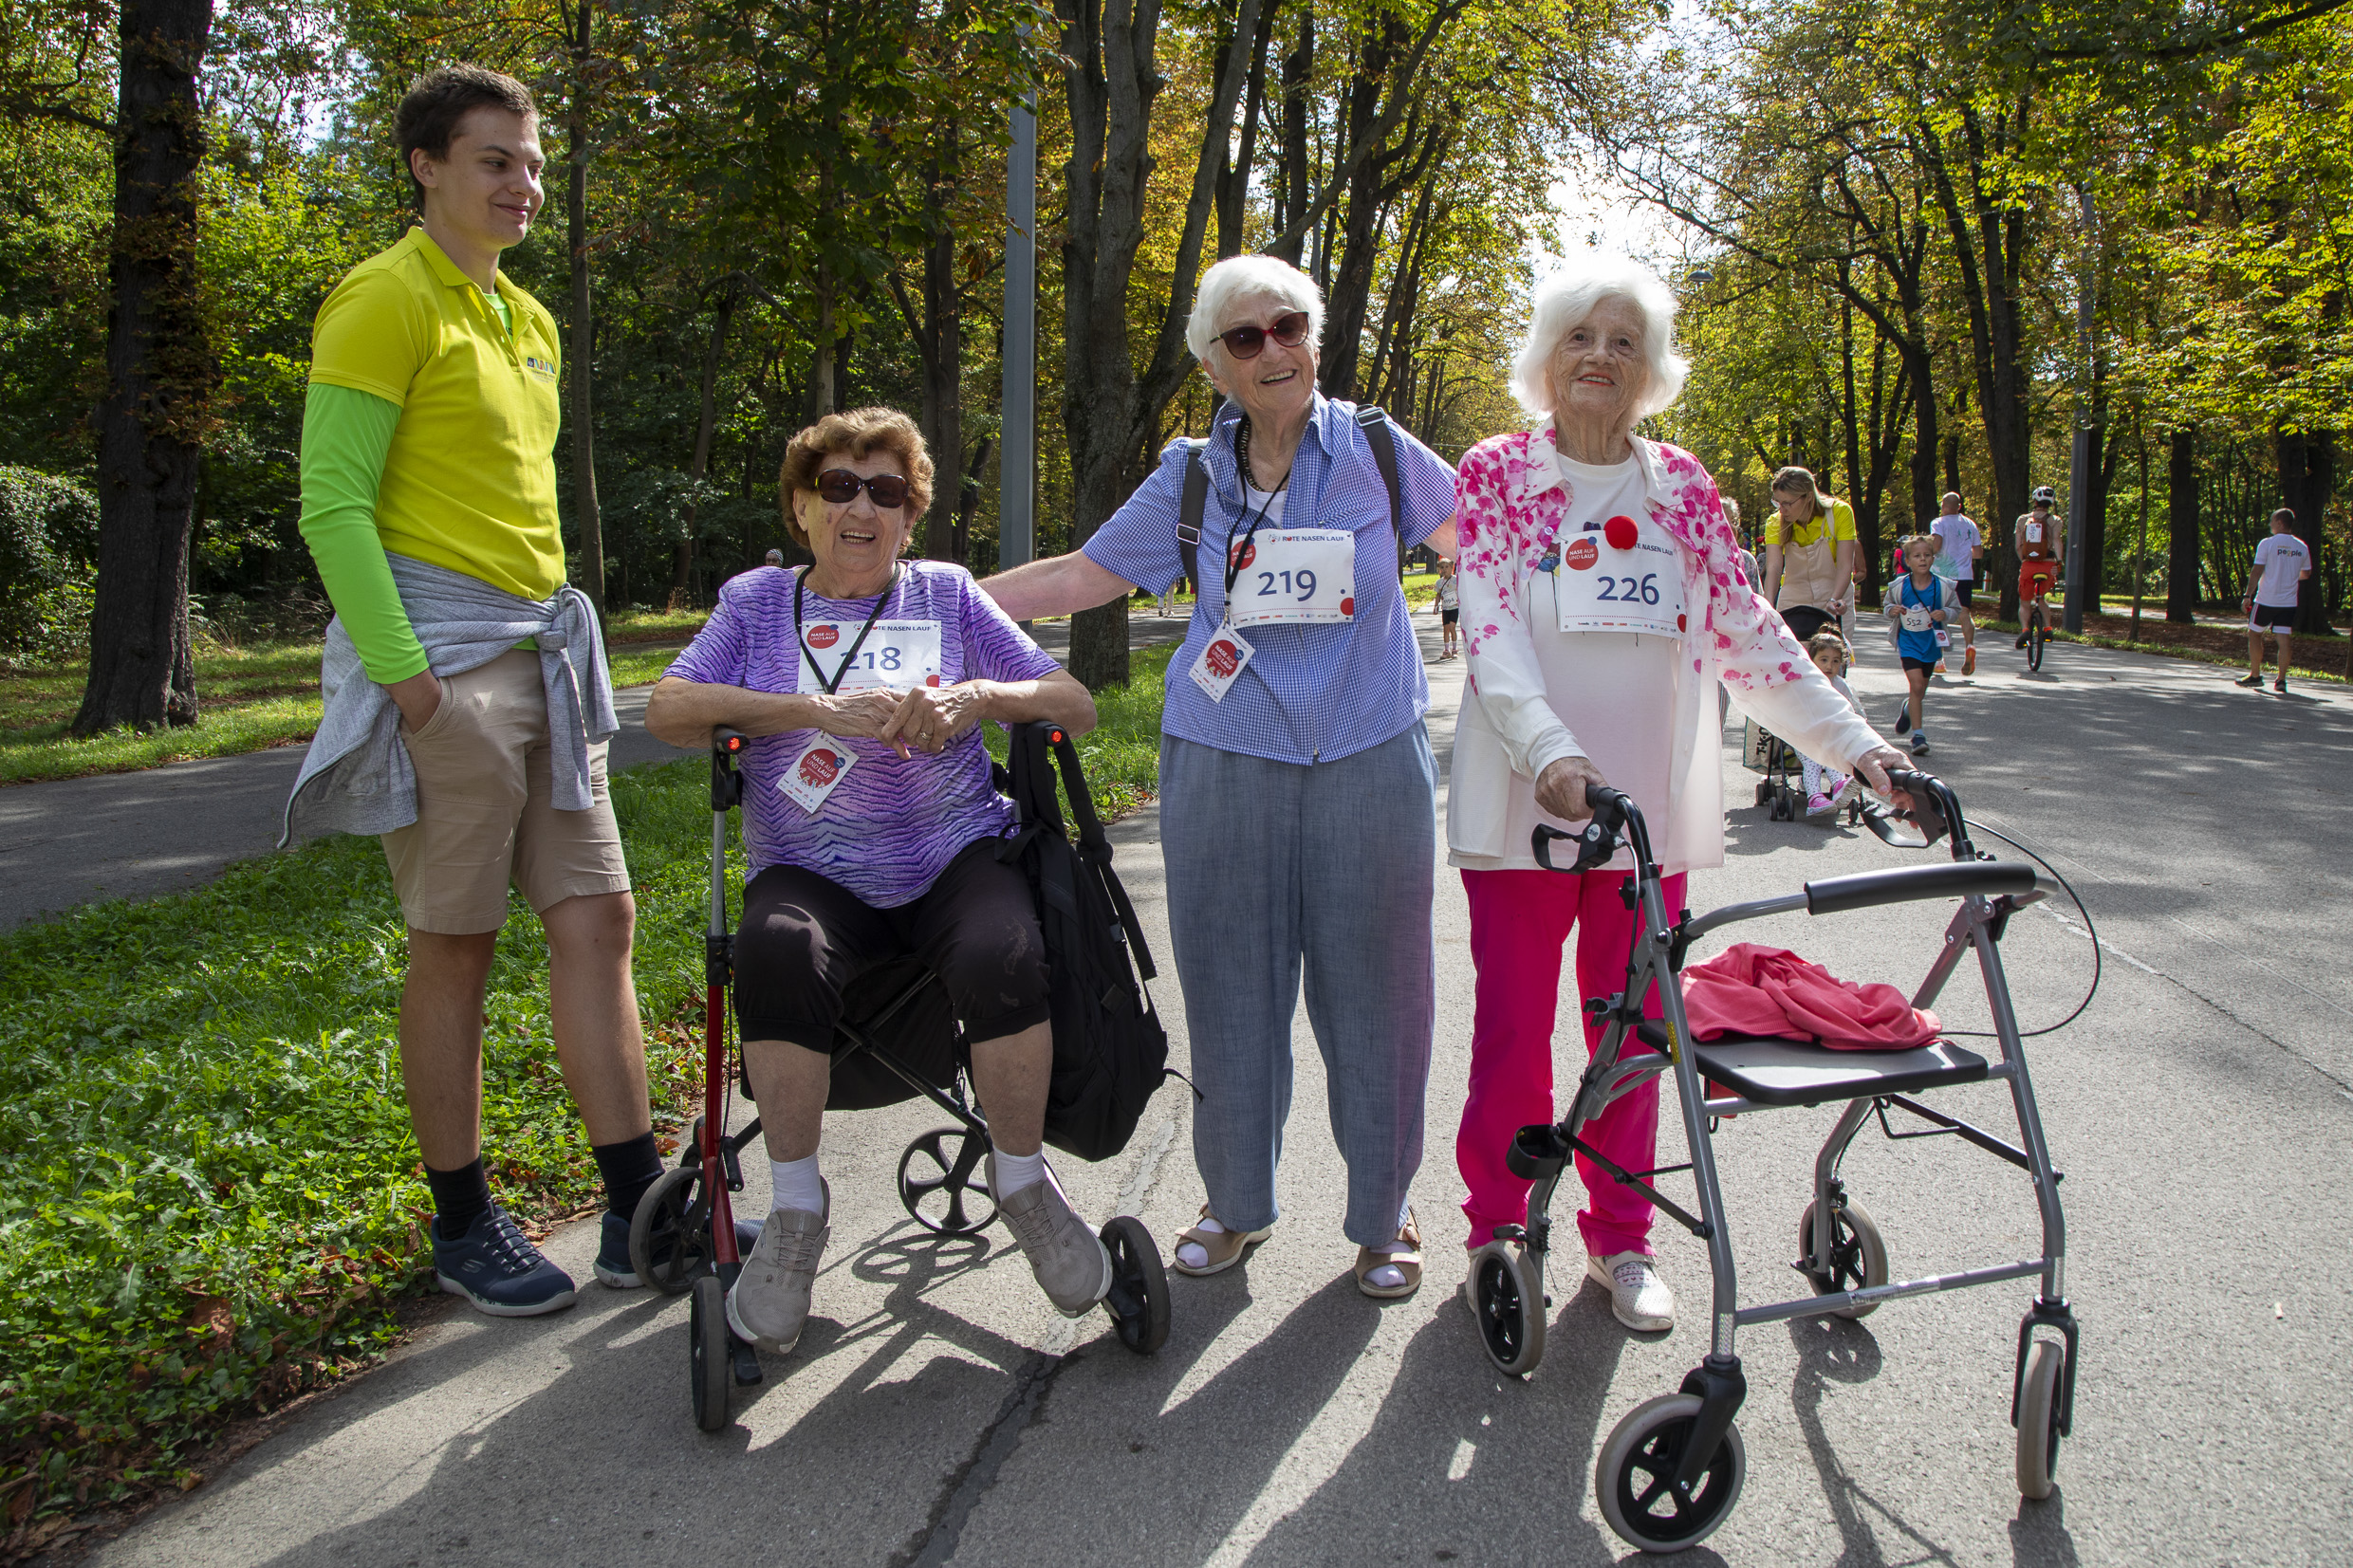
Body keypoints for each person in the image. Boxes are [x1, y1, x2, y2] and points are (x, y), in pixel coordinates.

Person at [983, 253, 1459, 1300]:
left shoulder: (1379, 452)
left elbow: (1491, 548)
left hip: (1365, 754)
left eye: (1287, 327)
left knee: (1380, 1000)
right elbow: (1083, 576)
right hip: (1221, 760)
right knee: (1233, 995)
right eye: (1244, 338)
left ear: (1315, 338)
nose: (1271, 350)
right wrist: (942, 600)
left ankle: (1382, 1216)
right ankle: (1235, 1205)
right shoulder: (1191, 473)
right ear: (1213, 365)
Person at [1448, 257, 1905, 1332]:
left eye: (1622, 341)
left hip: (1643, 812)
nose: (1599, 358)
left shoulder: (1682, 486)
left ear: (1648, 367)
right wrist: (1550, 754)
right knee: (1513, 1029)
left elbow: (1747, 631)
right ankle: (1498, 1225)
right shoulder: (1497, 473)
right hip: (1525, 804)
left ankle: (1621, 1238)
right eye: (1579, 338)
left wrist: (1857, 747)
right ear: (1544, 360)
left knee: (1636, 1029)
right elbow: (1491, 632)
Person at [280, 65, 664, 1317]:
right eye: (494, 159)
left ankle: (637, 1211)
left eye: (533, 161)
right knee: (455, 945)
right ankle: (463, 1223)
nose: (522, 182)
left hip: (544, 663)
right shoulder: (384, 301)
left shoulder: (528, 319)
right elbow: (333, 504)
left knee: (598, 920)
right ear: (427, 166)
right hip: (445, 668)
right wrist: (411, 688)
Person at [645, 407, 1109, 1354]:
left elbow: (1073, 702)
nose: (862, 508)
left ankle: (1021, 1183)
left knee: (1002, 947)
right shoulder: (752, 604)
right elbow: (667, 708)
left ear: (910, 513)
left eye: (886, 491)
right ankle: (796, 1214)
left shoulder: (943, 593)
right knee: (773, 948)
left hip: (951, 855)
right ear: (801, 507)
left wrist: (974, 696)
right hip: (810, 870)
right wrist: (809, 710)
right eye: (839, 487)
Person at [1761, 466, 1858, 643]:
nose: (1782, 509)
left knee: (1832, 658)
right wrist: (1768, 606)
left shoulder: (1840, 513)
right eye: (1778, 502)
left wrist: (1834, 598)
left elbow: (1845, 565)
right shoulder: (1775, 522)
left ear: (1809, 497)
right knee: (1791, 657)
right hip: (1794, 596)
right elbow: (1774, 567)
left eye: (1787, 503)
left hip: (1834, 592)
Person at [1883, 534, 1955, 756]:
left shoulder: (1942, 586)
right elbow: (1886, 606)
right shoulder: (1899, 586)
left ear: (1933, 558)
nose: (1922, 559)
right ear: (1908, 561)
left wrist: (1945, 613)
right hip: (1909, 642)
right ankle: (1918, 735)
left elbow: (1956, 610)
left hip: (1931, 643)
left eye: (1927, 555)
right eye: (1917, 556)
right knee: (1916, 686)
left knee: (1920, 690)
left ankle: (1908, 709)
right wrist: (1892, 610)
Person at [2239, 507, 2312, 692]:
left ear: (2280, 523)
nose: (2270, 524)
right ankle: (2281, 680)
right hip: (2288, 602)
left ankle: (2255, 675)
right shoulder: (2301, 546)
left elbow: (2257, 570)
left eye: (2272, 521)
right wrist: (2290, 576)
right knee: (2284, 638)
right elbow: (2306, 573)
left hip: (2266, 599)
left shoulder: (2267, 543)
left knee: (2255, 633)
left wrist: (2248, 595)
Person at [1802, 631, 1864, 814]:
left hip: (1832, 737)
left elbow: (1855, 710)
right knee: (1813, 760)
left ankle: (1840, 787)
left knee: (1832, 757)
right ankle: (1815, 798)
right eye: (1824, 660)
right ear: (1811, 660)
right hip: (1805, 736)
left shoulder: (1841, 685)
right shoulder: (1805, 683)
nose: (1829, 666)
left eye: (1835, 661)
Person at [1929, 492, 1982, 675]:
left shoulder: (1938, 523)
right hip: (1964, 575)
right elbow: (1978, 552)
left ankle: (1939, 660)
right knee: (1965, 613)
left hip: (1942, 574)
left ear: (1942, 505)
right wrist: (1963, 555)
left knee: (1938, 614)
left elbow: (1936, 545)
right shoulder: (1970, 524)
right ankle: (1969, 646)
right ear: (1959, 506)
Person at [2014, 486, 2062, 648]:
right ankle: (2048, 628)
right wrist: (2059, 562)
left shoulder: (2022, 520)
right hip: (2047, 566)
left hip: (2029, 566)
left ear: (2035, 500)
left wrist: (2024, 560)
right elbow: (2057, 541)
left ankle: (2025, 630)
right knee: (2040, 599)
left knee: (2025, 602)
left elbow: (2018, 546)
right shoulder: (2055, 521)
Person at [1434, 557, 1462, 658]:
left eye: (1447, 567)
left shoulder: (1456, 580)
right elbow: (1438, 594)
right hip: (1445, 608)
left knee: (1452, 627)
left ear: (1452, 568)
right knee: (1446, 629)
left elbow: (1461, 592)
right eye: (1442, 567)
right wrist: (1436, 606)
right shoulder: (1439, 582)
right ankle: (1446, 650)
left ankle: (1454, 649)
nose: (1445, 569)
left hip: (1454, 608)